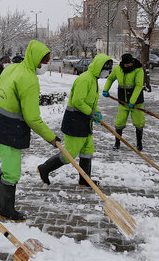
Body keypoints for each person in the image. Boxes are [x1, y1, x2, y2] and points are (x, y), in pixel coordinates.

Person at [0, 40, 59, 221]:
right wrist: (52, 138)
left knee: (7, 166)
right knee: (12, 171)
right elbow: (32, 118)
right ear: (35, 60)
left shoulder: (12, 68)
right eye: (43, 62)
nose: (44, 66)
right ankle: (7, 211)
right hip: (9, 130)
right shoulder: (30, 80)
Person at [38, 53, 112, 187]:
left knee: (88, 150)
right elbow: (78, 101)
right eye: (105, 69)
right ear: (98, 67)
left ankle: (84, 180)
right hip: (75, 121)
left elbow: (92, 102)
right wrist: (91, 113)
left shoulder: (93, 80)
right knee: (70, 154)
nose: (106, 72)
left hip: (84, 122)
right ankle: (44, 168)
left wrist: (97, 112)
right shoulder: (85, 79)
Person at [102, 53, 145, 150]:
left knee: (139, 123)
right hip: (122, 100)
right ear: (123, 63)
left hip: (136, 102)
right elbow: (110, 78)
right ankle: (117, 143)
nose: (128, 65)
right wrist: (105, 89)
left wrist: (132, 101)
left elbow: (138, 86)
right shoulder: (118, 69)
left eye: (130, 64)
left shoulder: (138, 69)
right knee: (119, 122)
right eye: (126, 64)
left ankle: (139, 144)